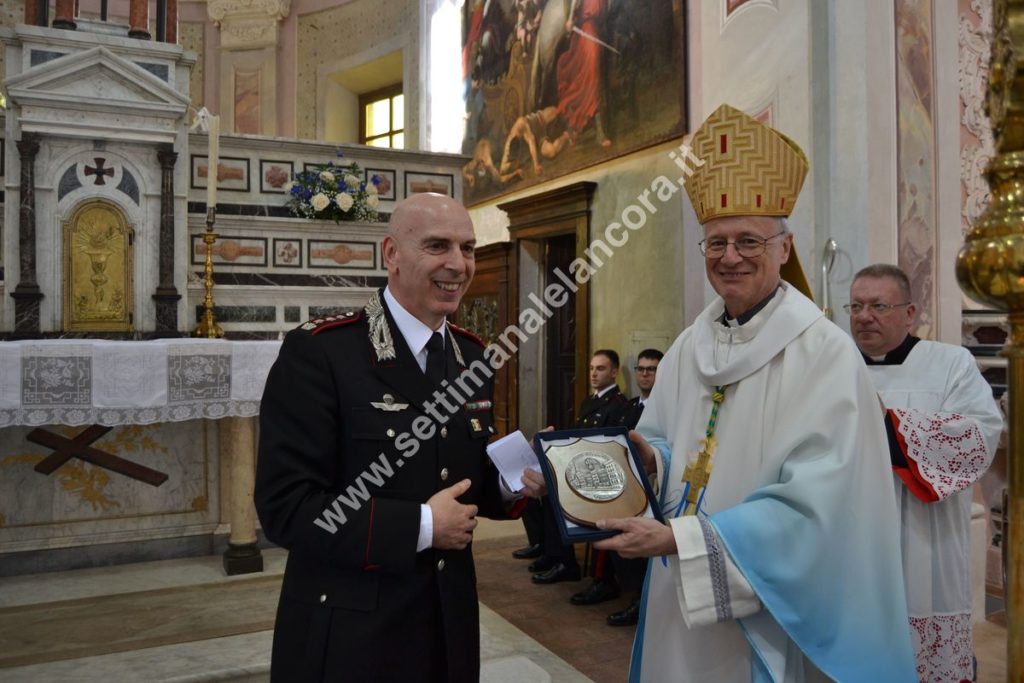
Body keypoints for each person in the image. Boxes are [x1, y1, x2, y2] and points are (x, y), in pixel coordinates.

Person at [523, 104, 916, 681]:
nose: (730, 256)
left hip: (766, 608)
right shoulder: (690, 345)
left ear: (785, 248)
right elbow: (656, 445)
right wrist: (579, 474)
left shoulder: (824, 355)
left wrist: (682, 538)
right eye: (715, 243)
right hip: (677, 592)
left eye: (749, 241)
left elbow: (820, 509)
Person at [255, 193, 517, 681]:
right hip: (353, 629)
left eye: (468, 248)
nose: (458, 265)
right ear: (392, 254)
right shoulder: (321, 353)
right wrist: (421, 526)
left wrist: (517, 481)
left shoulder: (471, 355)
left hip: (447, 620)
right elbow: (286, 507)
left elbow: (460, 478)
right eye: (438, 246)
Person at [847, 263, 1002, 682]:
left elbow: (979, 436)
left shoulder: (951, 363)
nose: (864, 316)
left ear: (910, 312)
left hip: (925, 541)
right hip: (852, 540)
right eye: (857, 306)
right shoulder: (833, 367)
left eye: (879, 305)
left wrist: (888, 423)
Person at [532, 349, 628, 585]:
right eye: (592, 368)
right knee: (543, 492)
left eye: (601, 368)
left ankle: (567, 563)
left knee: (557, 498)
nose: (594, 374)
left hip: (599, 472)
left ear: (614, 373)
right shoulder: (590, 401)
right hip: (581, 465)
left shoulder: (618, 405)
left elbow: (608, 443)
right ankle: (554, 555)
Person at [605, 348, 663, 627]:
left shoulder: (666, 409)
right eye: (640, 369)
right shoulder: (628, 407)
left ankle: (642, 601)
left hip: (653, 485)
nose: (644, 374)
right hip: (622, 481)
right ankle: (626, 592)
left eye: (651, 369)